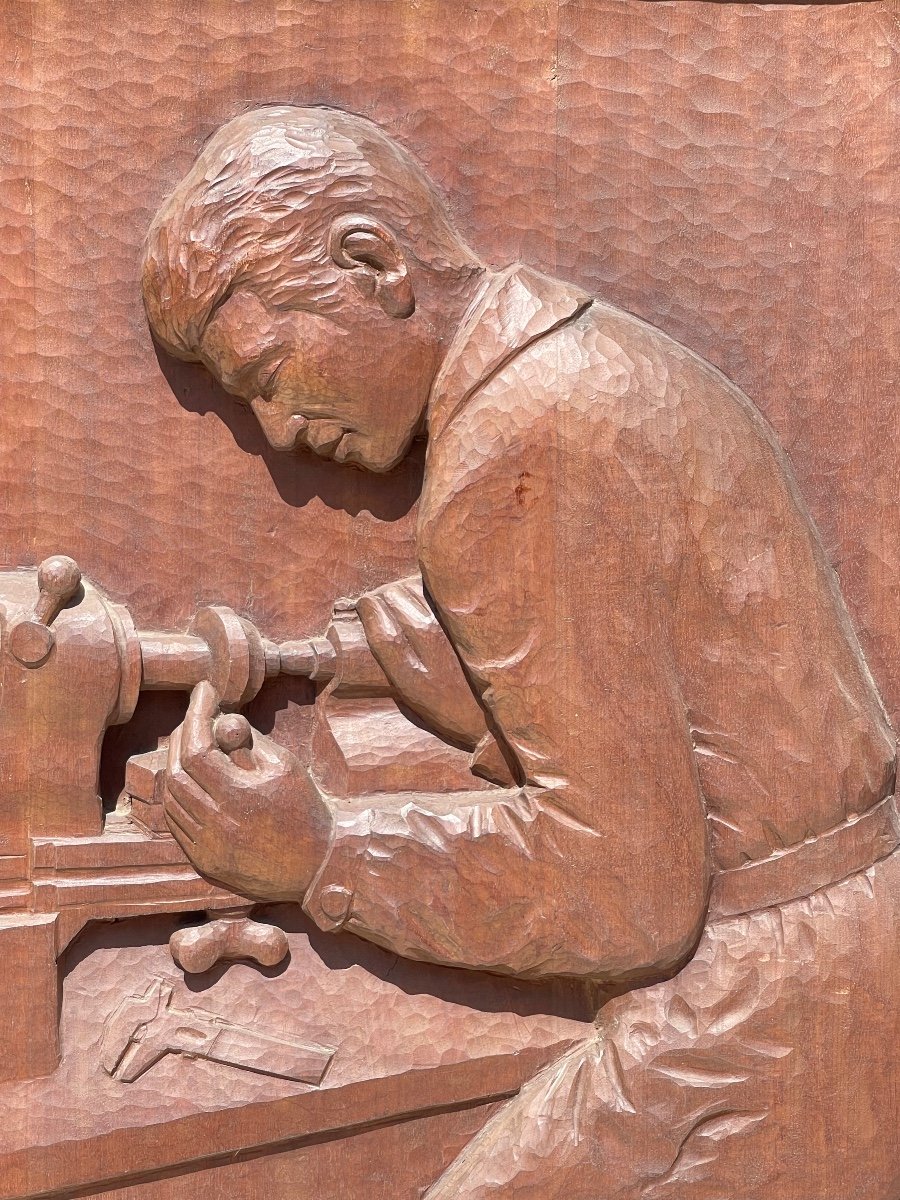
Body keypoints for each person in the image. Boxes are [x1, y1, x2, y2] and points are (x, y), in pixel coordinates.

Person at [141, 105, 900, 1198]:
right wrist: (480, 699)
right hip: (833, 945)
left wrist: (320, 854)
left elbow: (627, 897)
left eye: (265, 372)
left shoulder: (512, 458)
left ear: (374, 262)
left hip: (767, 1014)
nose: (276, 429)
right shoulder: (591, 361)